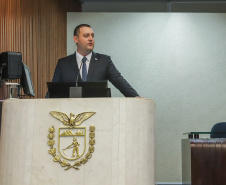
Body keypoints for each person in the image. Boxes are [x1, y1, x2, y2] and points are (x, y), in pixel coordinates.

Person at [51, 24, 139, 97]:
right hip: (72, 114)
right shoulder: (63, 63)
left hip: (99, 112)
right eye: (86, 36)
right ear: (76, 39)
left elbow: (119, 81)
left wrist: (136, 97)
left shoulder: (104, 61)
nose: (91, 39)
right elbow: (53, 91)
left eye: (92, 36)